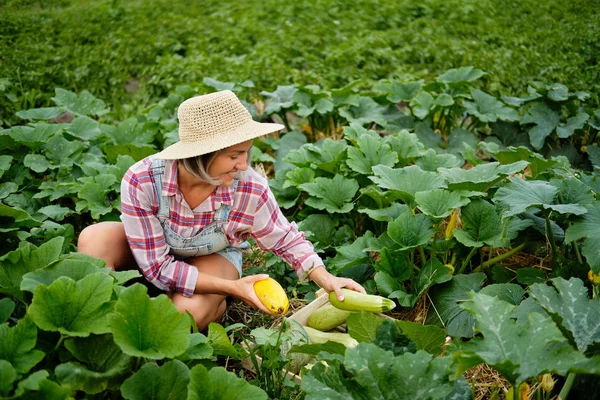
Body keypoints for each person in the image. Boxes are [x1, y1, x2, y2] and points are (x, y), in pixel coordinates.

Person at [78, 90, 365, 330]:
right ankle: (101, 321)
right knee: (94, 240)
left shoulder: (250, 187)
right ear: (200, 155)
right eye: (233, 155)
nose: (243, 165)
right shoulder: (142, 180)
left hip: (211, 257)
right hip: (153, 255)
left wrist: (327, 278)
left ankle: (208, 306)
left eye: (246, 153)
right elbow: (156, 267)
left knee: (182, 317)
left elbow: (285, 238)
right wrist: (234, 288)